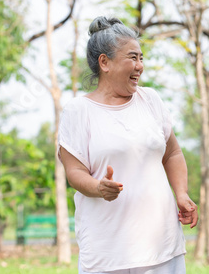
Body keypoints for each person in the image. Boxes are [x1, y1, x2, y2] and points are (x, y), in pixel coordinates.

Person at [58, 16, 198, 274]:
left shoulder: (151, 100)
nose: (140, 66)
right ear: (105, 62)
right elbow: (74, 173)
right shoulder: (78, 111)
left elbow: (173, 153)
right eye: (132, 58)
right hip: (108, 254)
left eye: (141, 58)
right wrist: (98, 187)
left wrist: (181, 193)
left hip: (162, 248)